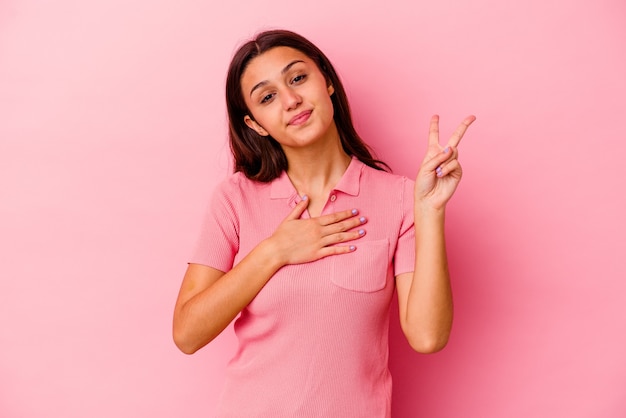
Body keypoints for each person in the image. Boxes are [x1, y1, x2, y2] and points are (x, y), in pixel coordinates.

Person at [173, 29, 475, 417]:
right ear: (257, 124)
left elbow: (427, 336)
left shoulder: (401, 198)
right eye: (268, 97)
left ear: (327, 81)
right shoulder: (235, 199)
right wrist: (275, 251)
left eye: (298, 77)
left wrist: (430, 211)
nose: (291, 100)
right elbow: (187, 333)